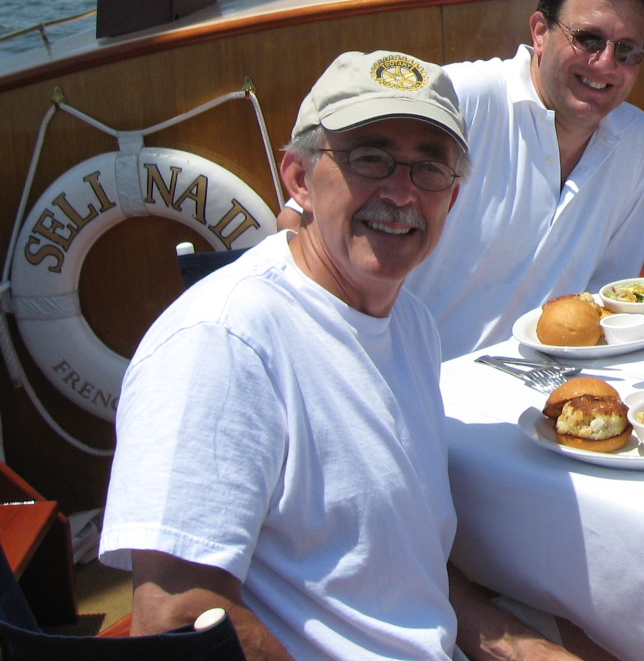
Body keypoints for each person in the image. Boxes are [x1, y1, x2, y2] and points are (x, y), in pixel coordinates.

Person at [100, 49, 578, 661]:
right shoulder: (221, 344)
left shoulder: (409, 324)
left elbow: (403, 575)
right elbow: (176, 619)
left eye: (429, 168)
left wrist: (515, 646)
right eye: (370, 158)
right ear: (299, 178)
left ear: (451, 200)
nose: (402, 193)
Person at [399, 0, 644, 357]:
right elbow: (312, 222)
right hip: (423, 384)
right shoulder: (460, 99)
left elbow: (609, 293)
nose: (606, 63)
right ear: (540, 32)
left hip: (550, 380)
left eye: (627, 50)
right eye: (588, 39)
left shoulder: (634, 137)